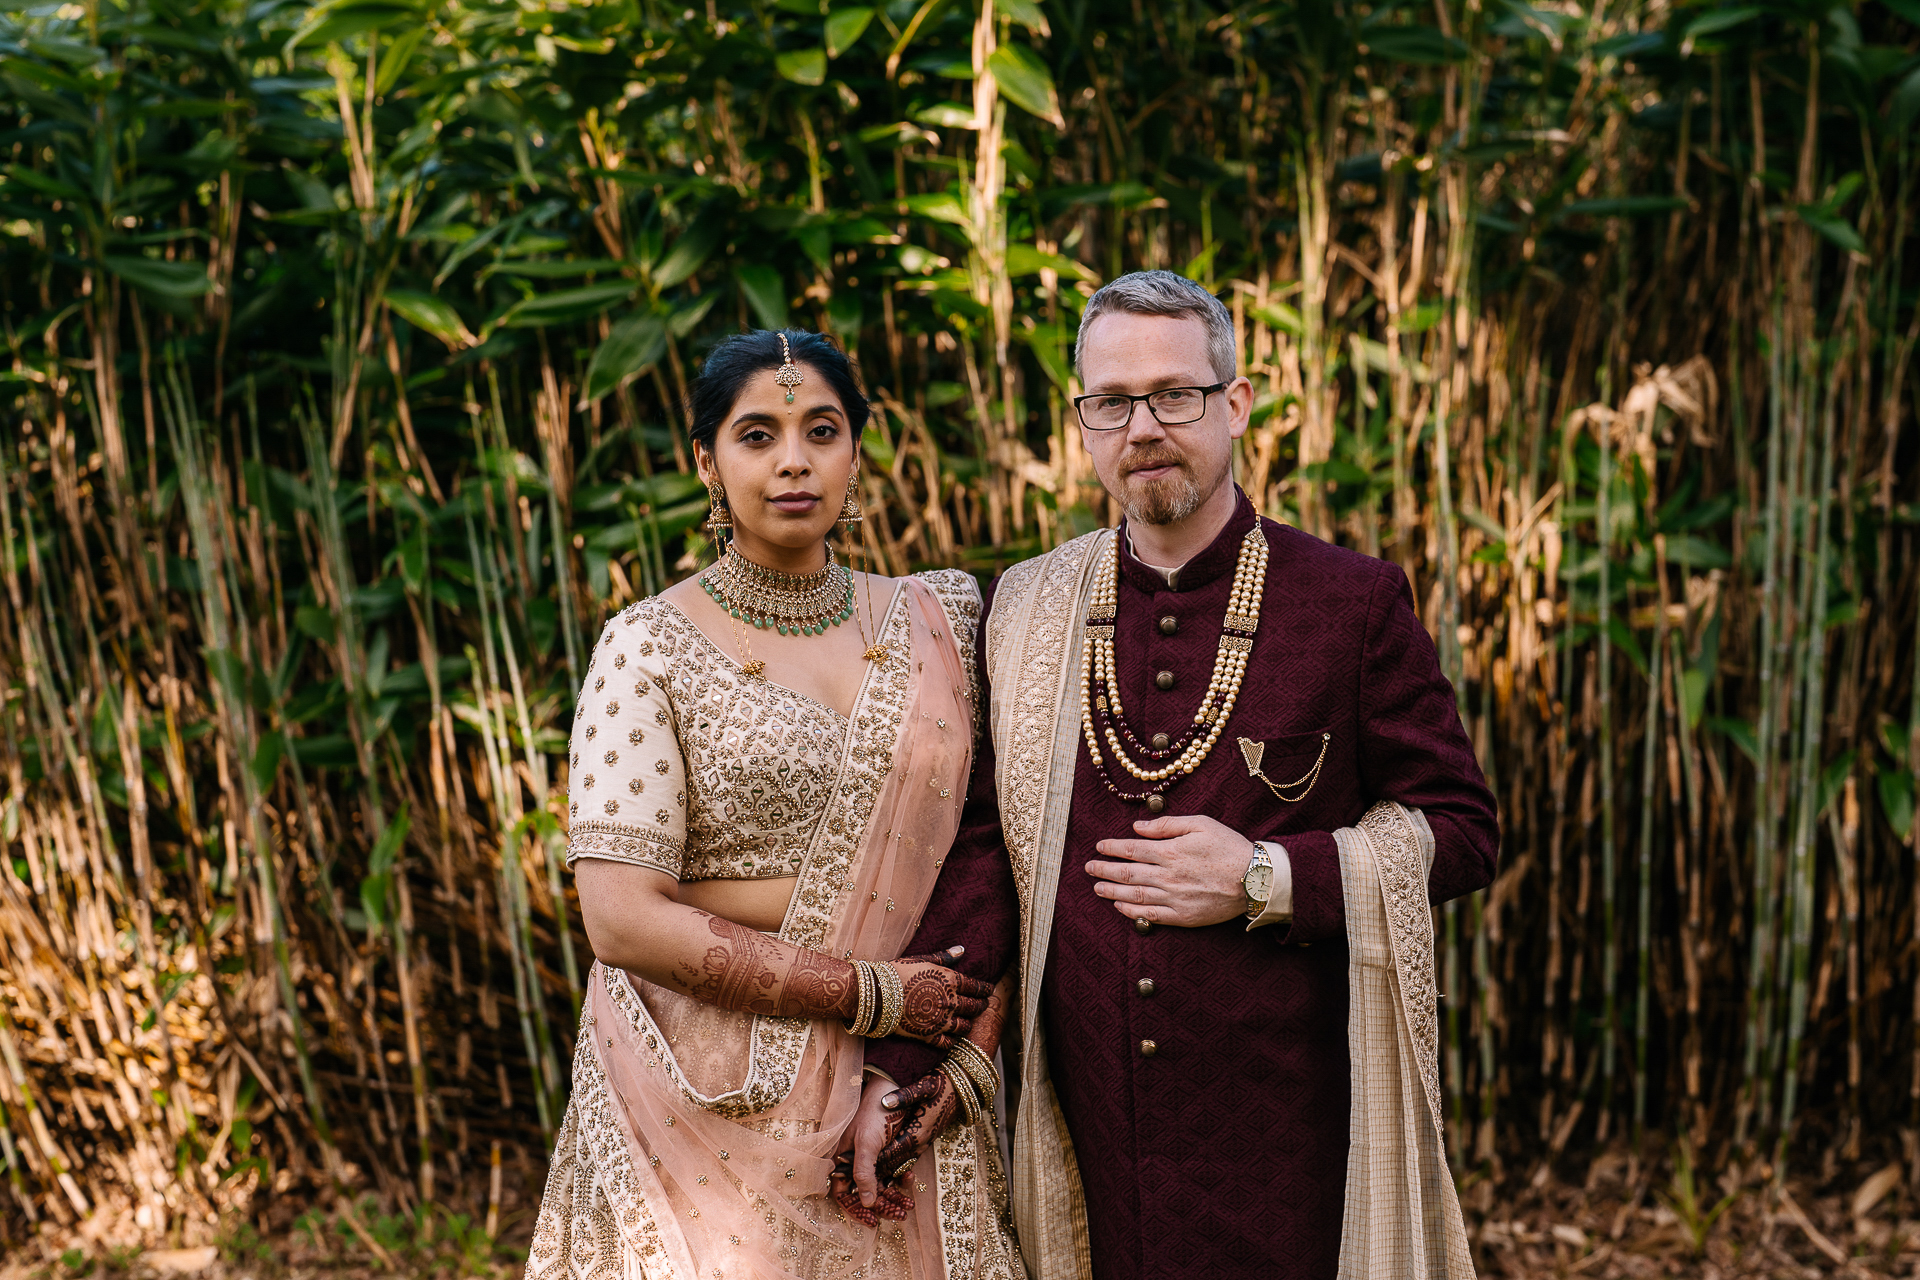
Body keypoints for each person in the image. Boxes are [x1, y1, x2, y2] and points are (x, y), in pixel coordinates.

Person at [851, 271, 1498, 1279]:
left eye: (1174, 394)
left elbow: (1461, 826)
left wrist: (1264, 875)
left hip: (1288, 1136)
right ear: (1083, 424)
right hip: (1087, 1134)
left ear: (1235, 404)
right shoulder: (1026, 609)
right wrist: (906, 1061)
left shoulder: (1350, 603)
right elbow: (986, 854)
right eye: (1111, 401)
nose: (1143, 425)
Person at [527, 329, 1023, 1280]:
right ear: (705, 461)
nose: (794, 460)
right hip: (706, 1097)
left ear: (857, 452)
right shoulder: (647, 647)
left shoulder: (945, 617)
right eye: (758, 434)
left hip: (910, 1081)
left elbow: (1001, 849)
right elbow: (621, 917)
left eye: (821, 430)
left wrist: (954, 1060)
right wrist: (874, 994)